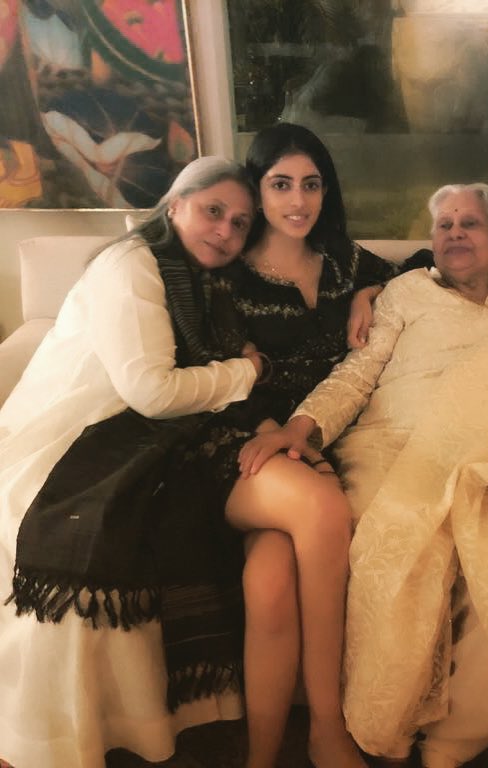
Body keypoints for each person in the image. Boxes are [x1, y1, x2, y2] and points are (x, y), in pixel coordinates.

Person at [237, 183, 488, 768]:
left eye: (469, 224)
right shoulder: (407, 292)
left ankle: (455, 745)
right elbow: (358, 373)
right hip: (393, 447)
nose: (454, 233)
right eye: (444, 225)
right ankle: (388, 730)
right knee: (406, 541)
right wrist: (301, 427)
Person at [153, 121, 402, 768]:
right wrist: (277, 434)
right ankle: (328, 728)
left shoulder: (345, 261)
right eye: (281, 184)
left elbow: (424, 265)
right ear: (256, 190)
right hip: (242, 444)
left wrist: (373, 291)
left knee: (268, 583)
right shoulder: (228, 275)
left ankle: (261, 759)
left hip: (322, 441)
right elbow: (214, 374)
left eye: (311, 184)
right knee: (321, 510)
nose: (298, 200)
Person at [0, 156, 262, 768]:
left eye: (240, 223)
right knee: (92, 534)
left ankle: (139, 721)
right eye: (213, 210)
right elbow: (152, 392)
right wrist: (247, 371)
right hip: (71, 432)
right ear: (175, 205)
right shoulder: (133, 265)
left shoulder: (206, 283)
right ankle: (52, 739)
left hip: (140, 432)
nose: (225, 230)